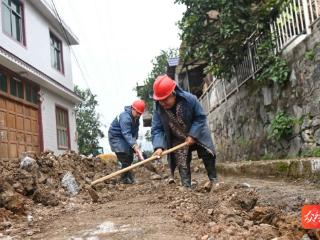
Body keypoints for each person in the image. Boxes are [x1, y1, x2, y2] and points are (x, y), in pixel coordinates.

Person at [151, 75, 217, 188]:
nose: (163, 103)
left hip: (198, 133)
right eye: (160, 101)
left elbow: (200, 117)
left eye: (165, 99)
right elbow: (157, 129)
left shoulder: (190, 99)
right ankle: (186, 186)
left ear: (173, 92)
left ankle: (214, 180)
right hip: (178, 138)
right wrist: (159, 147)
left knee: (207, 154)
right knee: (182, 160)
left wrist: (193, 134)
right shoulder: (158, 109)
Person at [108, 100, 145, 184]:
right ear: (132, 109)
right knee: (125, 158)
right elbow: (126, 133)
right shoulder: (125, 117)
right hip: (116, 137)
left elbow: (134, 133)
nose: (139, 115)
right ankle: (125, 179)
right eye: (137, 112)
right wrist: (134, 146)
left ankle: (125, 178)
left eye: (140, 114)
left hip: (125, 138)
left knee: (130, 158)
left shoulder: (136, 118)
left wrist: (136, 148)